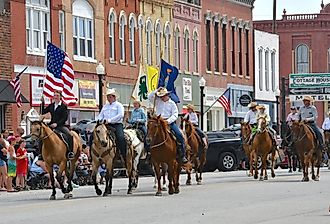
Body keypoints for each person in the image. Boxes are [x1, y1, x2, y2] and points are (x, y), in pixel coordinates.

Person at [149, 87, 188, 163]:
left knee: (179, 135)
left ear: (167, 95)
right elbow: (150, 97)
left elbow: (175, 114)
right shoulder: (157, 101)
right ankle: (149, 153)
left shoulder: (172, 104)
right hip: (158, 121)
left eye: (163, 96)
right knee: (149, 135)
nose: (162, 97)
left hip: (168, 122)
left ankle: (182, 154)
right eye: (161, 96)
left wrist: (168, 121)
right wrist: (156, 91)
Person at [40, 90, 74, 160]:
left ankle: (70, 152)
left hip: (60, 125)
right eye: (54, 95)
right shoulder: (51, 105)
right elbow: (43, 112)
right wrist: (42, 103)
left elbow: (65, 117)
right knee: (42, 136)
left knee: (69, 135)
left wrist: (57, 124)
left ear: (60, 97)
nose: (55, 97)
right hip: (51, 125)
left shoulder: (63, 106)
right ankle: (40, 153)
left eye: (57, 96)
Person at [97, 89, 127, 159]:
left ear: (114, 97)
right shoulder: (105, 106)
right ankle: (92, 154)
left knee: (120, 137)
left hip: (116, 125)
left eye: (110, 97)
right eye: (107, 97)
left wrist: (110, 120)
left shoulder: (119, 105)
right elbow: (101, 115)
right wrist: (99, 120)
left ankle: (123, 154)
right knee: (94, 135)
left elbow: (120, 115)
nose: (108, 98)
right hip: (105, 125)